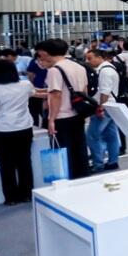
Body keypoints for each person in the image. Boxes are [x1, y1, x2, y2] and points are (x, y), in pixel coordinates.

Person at [0, 59, 37, 204]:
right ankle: (27, 194)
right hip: (24, 128)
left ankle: (11, 198)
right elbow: (34, 93)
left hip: (2, 130)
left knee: (6, 165)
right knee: (24, 162)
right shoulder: (25, 85)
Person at [37, 38, 91, 178]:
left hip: (62, 117)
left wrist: (51, 119)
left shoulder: (54, 70)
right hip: (77, 114)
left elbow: (56, 95)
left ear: (45, 53)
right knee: (79, 149)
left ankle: (68, 181)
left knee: (63, 152)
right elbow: (84, 91)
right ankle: (82, 178)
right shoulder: (79, 67)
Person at [84, 48, 122, 172]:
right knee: (111, 135)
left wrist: (100, 107)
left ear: (99, 57)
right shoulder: (109, 68)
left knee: (92, 136)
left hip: (104, 106)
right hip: (111, 106)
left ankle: (98, 164)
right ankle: (112, 161)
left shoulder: (104, 71)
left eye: (90, 58)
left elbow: (104, 91)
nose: (88, 61)